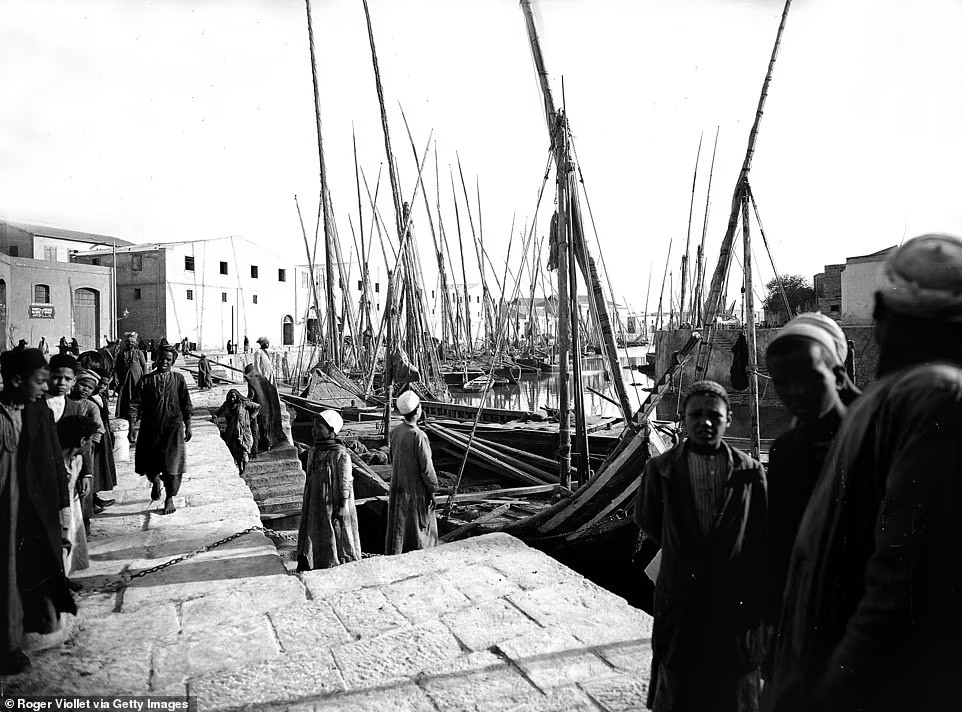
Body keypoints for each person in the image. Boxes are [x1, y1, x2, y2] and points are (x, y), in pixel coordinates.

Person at [767, 234, 962, 712]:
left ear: (881, 316)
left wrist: (836, 688)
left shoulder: (930, 399)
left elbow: (901, 578)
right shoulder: (885, 404)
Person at [635, 380, 767, 712]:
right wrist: (685, 550)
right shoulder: (660, 470)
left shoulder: (751, 471)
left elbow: (763, 529)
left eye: (714, 415)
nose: (705, 422)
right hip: (681, 596)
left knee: (733, 687)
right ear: (682, 418)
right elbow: (648, 520)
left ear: (729, 418)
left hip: (734, 600)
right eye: (696, 414)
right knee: (680, 685)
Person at [763, 313, 860, 639]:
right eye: (781, 382)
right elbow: (780, 542)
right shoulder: (786, 450)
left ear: (837, 374)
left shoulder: (877, 434)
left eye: (808, 377)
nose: (795, 392)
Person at [0, 348, 76, 675]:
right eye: (40, 381)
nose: (46, 387)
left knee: (28, 575)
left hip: (30, 514)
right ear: (17, 380)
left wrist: (62, 513)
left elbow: (56, 465)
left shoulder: (39, 414)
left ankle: (20, 637)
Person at [296, 410, 362, 571]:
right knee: (316, 532)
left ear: (332, 431)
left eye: (318, 427)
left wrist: (342, 505)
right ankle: (315, 561)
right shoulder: (314, 451)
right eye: (314, 427)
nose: (313, 431)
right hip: (315, 501)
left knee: (338, 534)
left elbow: (345, 481)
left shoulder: (340, 453)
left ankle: (338, 562)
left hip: (333, 503)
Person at [46, 355, 104, 535]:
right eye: (57, 376)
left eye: (68, 379)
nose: (62, 382)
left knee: (69, 519)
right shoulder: (36, 405)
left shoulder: (75, 407)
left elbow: (84, 445)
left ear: (73, 381)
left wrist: (87, 473)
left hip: (70, 472)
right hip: (43, 472)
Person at [135, 346, 192, 515]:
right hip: (149, 428)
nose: (164, 362)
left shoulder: (178, 379)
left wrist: (188, 424)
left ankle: (169, 498)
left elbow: (186, 403)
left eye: (168, 359)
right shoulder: (145, 381)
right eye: (161, 358)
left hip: (172, 428)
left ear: (173, 362)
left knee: (172, 465)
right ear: (155, 358)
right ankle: (155, 481)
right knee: (150, 462)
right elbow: (135, 403)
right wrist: (131, 426)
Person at [385, 391, 438, 554]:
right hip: (415, 491)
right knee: (419, 526)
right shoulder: (419, 436)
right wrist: (433, 489)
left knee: (400, 524)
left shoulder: (395, 432)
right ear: (417, 411)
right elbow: (427, 469)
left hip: (398, 487)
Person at [58, 414, 98, 579]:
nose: (91, 445)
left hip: (70, 510)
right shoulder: (57, 466)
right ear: (82, 441)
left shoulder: (76, 460)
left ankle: (65, 576)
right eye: (90, 440)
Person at [73, 370, 117, 513]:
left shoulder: (90, 406)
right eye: (82, 385)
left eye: (90, 387)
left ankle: (87, 510)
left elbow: (99, 427)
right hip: (68, 449)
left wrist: (92, 444)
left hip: (86, 449)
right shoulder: (66, 402)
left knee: (86, 478)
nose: (85, 389)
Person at [214, 389, 260, 474]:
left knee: (244, 450)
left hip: (244, 431)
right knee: (235, 452)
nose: (232, 399)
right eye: (230, 397)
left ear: (237, 397)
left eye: (234, 397)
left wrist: (251, 417)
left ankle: (245, 468)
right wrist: (215, 416)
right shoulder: (226, 405)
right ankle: (240, 468)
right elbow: (218, 412)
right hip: (232, 431)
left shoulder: (243, 404)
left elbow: (257, 407)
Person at [113, 331, 147, 445]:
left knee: (136, 398)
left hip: (137, 381)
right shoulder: (121, 354)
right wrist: (116, 378)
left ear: (135, 343)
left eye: (132, 342)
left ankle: (136, 418)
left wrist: (145, 378)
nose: (130, 344)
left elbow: (144, 366)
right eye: (128, 342)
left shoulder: (139, 353)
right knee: (125, 398)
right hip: (125, 381)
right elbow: (116, 368)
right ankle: (126, 416)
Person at [243, 364, 286, 452]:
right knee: (269, 423)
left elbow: (251, 395)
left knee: (262, 425)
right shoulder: (262, 377)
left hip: (261, 407)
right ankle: (272, 442)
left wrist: (245, 401)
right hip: (270, 405)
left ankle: (266, 444)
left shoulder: (251, 380)